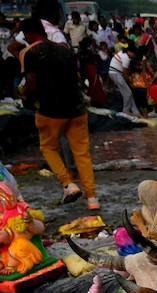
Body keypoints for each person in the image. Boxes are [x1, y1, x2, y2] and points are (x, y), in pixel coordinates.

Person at [20, 18, 97, 210]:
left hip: (50, 110)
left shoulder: (31, 53)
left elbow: (31, 82)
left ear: (29, 34)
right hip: (77, 109)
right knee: (82, 154)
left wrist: (27, 100)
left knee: (48, 148)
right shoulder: (65, 50)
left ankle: (68, 184)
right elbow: (78, 77)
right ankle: (92, 198)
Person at [108, 40, 138, 113]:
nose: (134, 56)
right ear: (130, 52)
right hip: (115, 74)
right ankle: (125, 111)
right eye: (134, 54)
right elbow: (125, 73)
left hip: (114, 73)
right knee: (128, 93)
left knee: (127, 93)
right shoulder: (126, 58)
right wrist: (130, 82)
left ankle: (135, 112)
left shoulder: (123, 53)